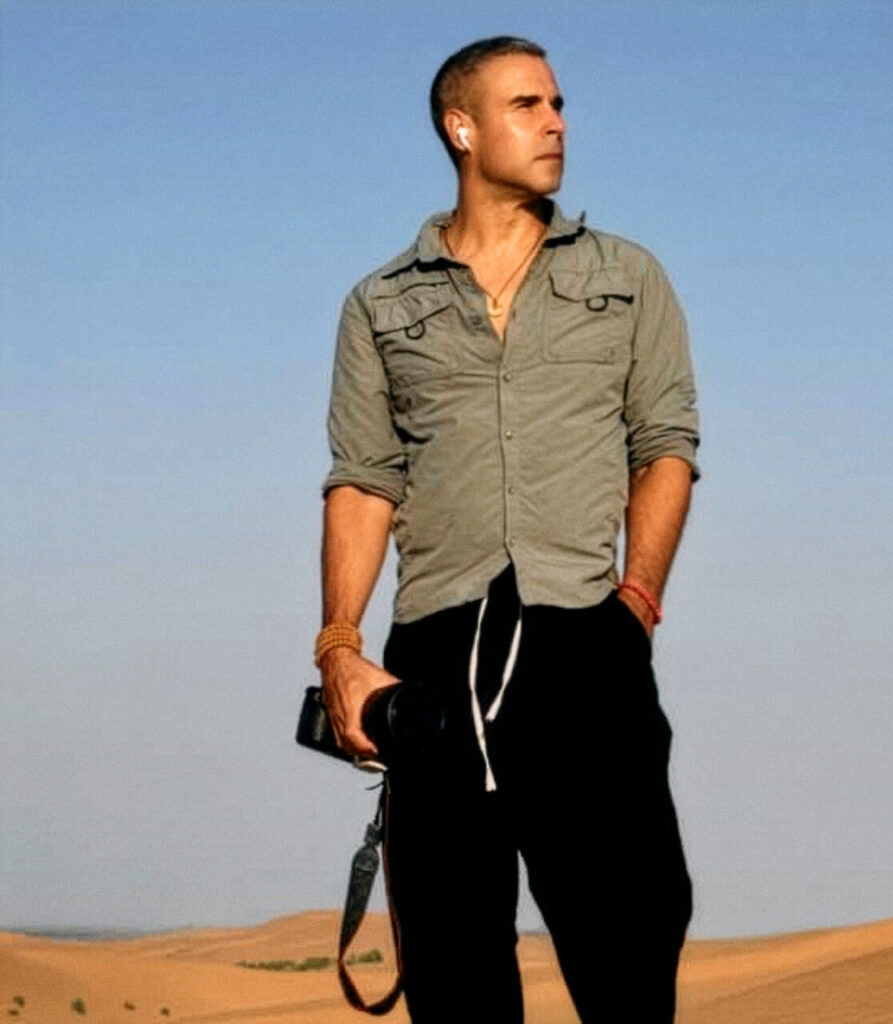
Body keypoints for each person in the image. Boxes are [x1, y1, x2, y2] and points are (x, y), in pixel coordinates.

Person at [316, 36, 700, 1024]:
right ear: (462, 128)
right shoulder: (380, 305)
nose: (555, 122)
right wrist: (340, 648)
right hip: (433, 658)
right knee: (454, 975)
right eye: (527, 105)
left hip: (588, 642)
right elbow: (363, 480)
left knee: (630, 950)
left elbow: (664, 445)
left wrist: (636, 603)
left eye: (558, 103)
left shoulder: (628, 276)